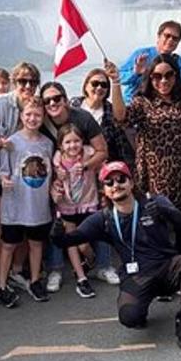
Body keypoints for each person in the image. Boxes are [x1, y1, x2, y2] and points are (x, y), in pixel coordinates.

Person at [52, 161, 181, 349]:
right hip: (136, 276)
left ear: (131, 183)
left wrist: (168, 213)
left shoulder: (155, 203)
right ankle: (141, 308)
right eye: (109, 183)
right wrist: (57, 235)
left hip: (166, 268)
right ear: (105, 191)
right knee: (130, 318)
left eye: (121, 179)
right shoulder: (104, 218)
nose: (116, 185)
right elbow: (71, 240)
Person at [38, 80, 108, 293]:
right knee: (56, 224)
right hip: (55, 181)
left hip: (86, 182)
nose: (52, 103)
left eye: (57, 98)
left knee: (97, 221)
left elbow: (102, 151)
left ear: (66, 100)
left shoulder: (83, 118)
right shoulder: (41, 121)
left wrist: (83, 166)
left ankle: (103, 265)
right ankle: (56, 269)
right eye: (47, 100)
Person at [0, 62, 41, 290]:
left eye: (32, 82)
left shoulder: (36, 106)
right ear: (14, 82)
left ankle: (16, 271)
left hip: (24, 179)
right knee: (4, 227)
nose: (27, 86)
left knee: (26, 225)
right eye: (22, 81)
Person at [70, 63, 128, 286]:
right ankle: (81, 260)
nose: (99, 88)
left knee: (103, 218)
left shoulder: (110, 111)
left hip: (101, 173)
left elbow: (120, 137)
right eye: (95, 83)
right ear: (85, 86)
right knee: (68, 218)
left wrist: (122, 172)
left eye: (103, 85)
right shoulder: (73, 107)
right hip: (74, 174)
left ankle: (104, 265)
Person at [126, 53, 181, 223]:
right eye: (157, 76)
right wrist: (116, 83)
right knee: (161, 226)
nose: (163, 81)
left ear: (176, 75)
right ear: (150, 78)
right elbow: (121, 118)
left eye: (169, 75)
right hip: (158, 176)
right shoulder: (142, 102)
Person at [0, 96, 53, 307]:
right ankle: (1, 284)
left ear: (43, 117)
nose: (32, 118)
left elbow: (50, 171)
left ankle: (35, 280)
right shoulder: (11, 142)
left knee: (36, 243)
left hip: (38, 205)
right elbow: (3, 170)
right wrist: (4, 180)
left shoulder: (47, 144)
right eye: (28, 114)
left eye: (37, 115)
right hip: (15, 205)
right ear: (21, 116)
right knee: (9, 245)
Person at [51, 125, 100, 299]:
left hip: (88, 201)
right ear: (61, 145)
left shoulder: (88, 152)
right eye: (68, 142)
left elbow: (101, 159)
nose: (73, 146)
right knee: (71, 240)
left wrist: (86, 165)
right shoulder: (57, 160)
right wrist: (57, 184)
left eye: (76, 141)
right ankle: (81, 278)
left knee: (84, 243)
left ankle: (91, 259)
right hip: (67, 204)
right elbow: (55, 181)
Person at [118, 21, 181, 103]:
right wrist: (136, 73)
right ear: (159, 36)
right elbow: (120, 78)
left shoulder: (179, 61)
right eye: (167, 36)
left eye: (175, 38)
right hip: (133, 103)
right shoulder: (141, 54)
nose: (170, 40)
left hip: (164, 105)